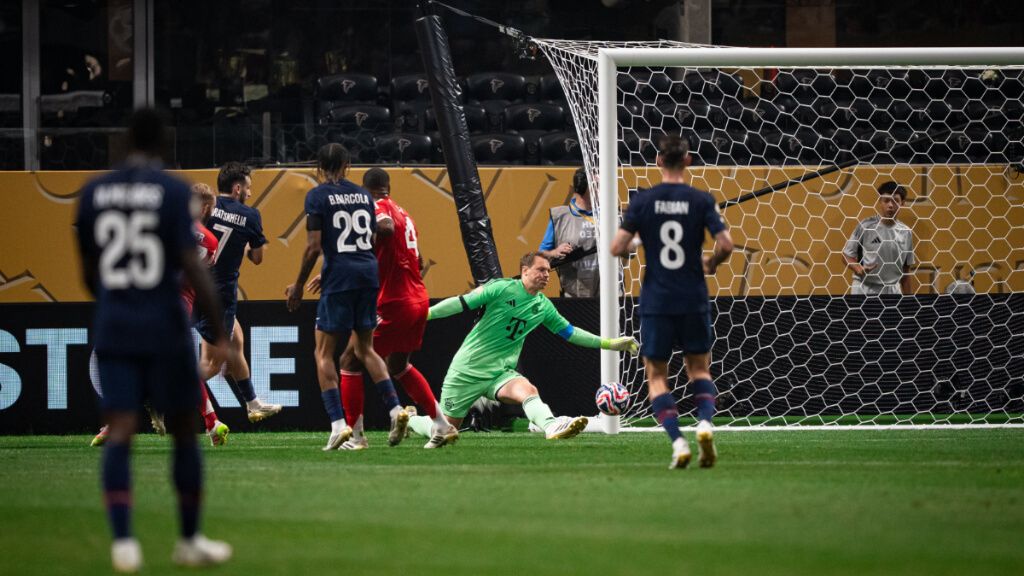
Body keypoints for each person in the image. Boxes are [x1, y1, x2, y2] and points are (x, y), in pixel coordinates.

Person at [74, 108, 232, 571]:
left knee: (121, 428)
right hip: (164, 322)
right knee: (184, 428)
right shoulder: (170, 192)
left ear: (123, 141)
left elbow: (88, 269)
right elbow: (194, 265)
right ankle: (189, 539)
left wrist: (114, 300)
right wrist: (218, 331)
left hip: (115, 323)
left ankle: (123, 543)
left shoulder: (94, 192)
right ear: (162, 145)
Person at [406, 251, 639, 448]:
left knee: (528, 389)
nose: (546, 275)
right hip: (467, 370)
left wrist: (609, 343)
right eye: (541, 270)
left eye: (548, 271)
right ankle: (409, 419)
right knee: (445, 431)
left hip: (500, 373)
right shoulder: (501, 289)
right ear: (524, 270)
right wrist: (425, 313)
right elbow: (460, 303)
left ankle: (551, 425)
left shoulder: (542, 305)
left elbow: (571, 333)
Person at [610, 135, 733, 470]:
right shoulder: (701, 199)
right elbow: (726, 243)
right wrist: (711, 264)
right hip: (693, 296)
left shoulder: (643, 201)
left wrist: (635, 243)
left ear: (658, 161)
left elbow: (616, 248)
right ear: (689, 160)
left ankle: (679, 443)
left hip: (658, 299)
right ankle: (705, 425)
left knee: (656, 375)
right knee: (699, 368)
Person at [307, 168, 448, 450]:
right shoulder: (404, 212)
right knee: (398, 364)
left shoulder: (375, 206)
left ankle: (357, 437)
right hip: (418, 297)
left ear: (365, 188)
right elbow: (416, 259)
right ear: (388, 187)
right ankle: (442, 424)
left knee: (350, 359)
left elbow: (384, 228)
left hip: (394, 302)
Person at [90, 183, 229, 448]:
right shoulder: (210, 240)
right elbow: (200, 276)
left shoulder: (164, 225)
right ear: (206, 207)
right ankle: (211, 422)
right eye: (210, 208)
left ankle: (119, 421)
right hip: (181, 307)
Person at [284, 145, 404, 451]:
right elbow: (373, 236)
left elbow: (313, 246)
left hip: (339, 276)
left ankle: (338, 425)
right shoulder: (363, 195)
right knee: (365, 348)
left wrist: (298, 284)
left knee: (323, 352)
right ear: (348, 165)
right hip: (368, 273)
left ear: (319, 166)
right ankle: (395, 409)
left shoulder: (318, 196)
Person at [195, 162, 282, 422]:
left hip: (197, 286)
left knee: (236, 342)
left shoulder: (207, 206)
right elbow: (257, 258)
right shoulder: (250, 215)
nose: (249, 193)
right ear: (236, 188)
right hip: (221, 294)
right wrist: (248, 244)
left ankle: (253, 403)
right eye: (248, 188)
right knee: (212, 363)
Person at [842, 181, 915, 295]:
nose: (890, 205)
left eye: (895, 200)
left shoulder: (906, 232)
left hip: (892, 290)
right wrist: (858, 268)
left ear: (903, 203)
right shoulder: (865, 226)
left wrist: (909, 301)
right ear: (880, 201)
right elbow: (846, 255)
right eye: (886, 200)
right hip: (865, 287)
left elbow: (906, 271)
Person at [538, 167, 599, 297]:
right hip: (575, 297)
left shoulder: (613, 216)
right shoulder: (560, 217)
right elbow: (540, 256)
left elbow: (630, 254)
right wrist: (555, 252)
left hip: (610, 296)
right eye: (597, 185)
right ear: (584, 188)